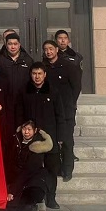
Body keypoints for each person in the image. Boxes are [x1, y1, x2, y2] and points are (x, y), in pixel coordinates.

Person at [19, 62, 66, 210]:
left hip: (50, 138)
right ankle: (34, 199)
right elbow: (19, 113)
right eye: (34, 73)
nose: (37, 76)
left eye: (40, 73)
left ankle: (51, 198)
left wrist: (60, 137)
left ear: (45, 75)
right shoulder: (24, 91)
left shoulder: (53, 91)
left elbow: (60, 116)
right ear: (30, 75)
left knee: (52, 169)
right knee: (32, 170)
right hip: (32, 139)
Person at [43, 40, 80, 182]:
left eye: (51, 49)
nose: (48, 52)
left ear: (57, 50)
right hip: (50, 111)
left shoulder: (68, 66)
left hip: (66, 110)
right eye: (46, 49)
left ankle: (67, 169)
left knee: (67, 141)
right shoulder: (44, 67)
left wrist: (70, 102)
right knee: (53, 141)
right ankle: (56, 168)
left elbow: (76, 87)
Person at [4, 120, 53, 211]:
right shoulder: (16, 140)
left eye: (29, 129)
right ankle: (27, 204)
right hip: (18, 178)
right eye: (24, 129)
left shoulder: (37, 146)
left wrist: (13, 191)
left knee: (36, 190)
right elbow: (10, 161)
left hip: (33, 179)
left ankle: (39, 201)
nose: (26, 132)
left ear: (35, 131)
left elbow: (28, 171)